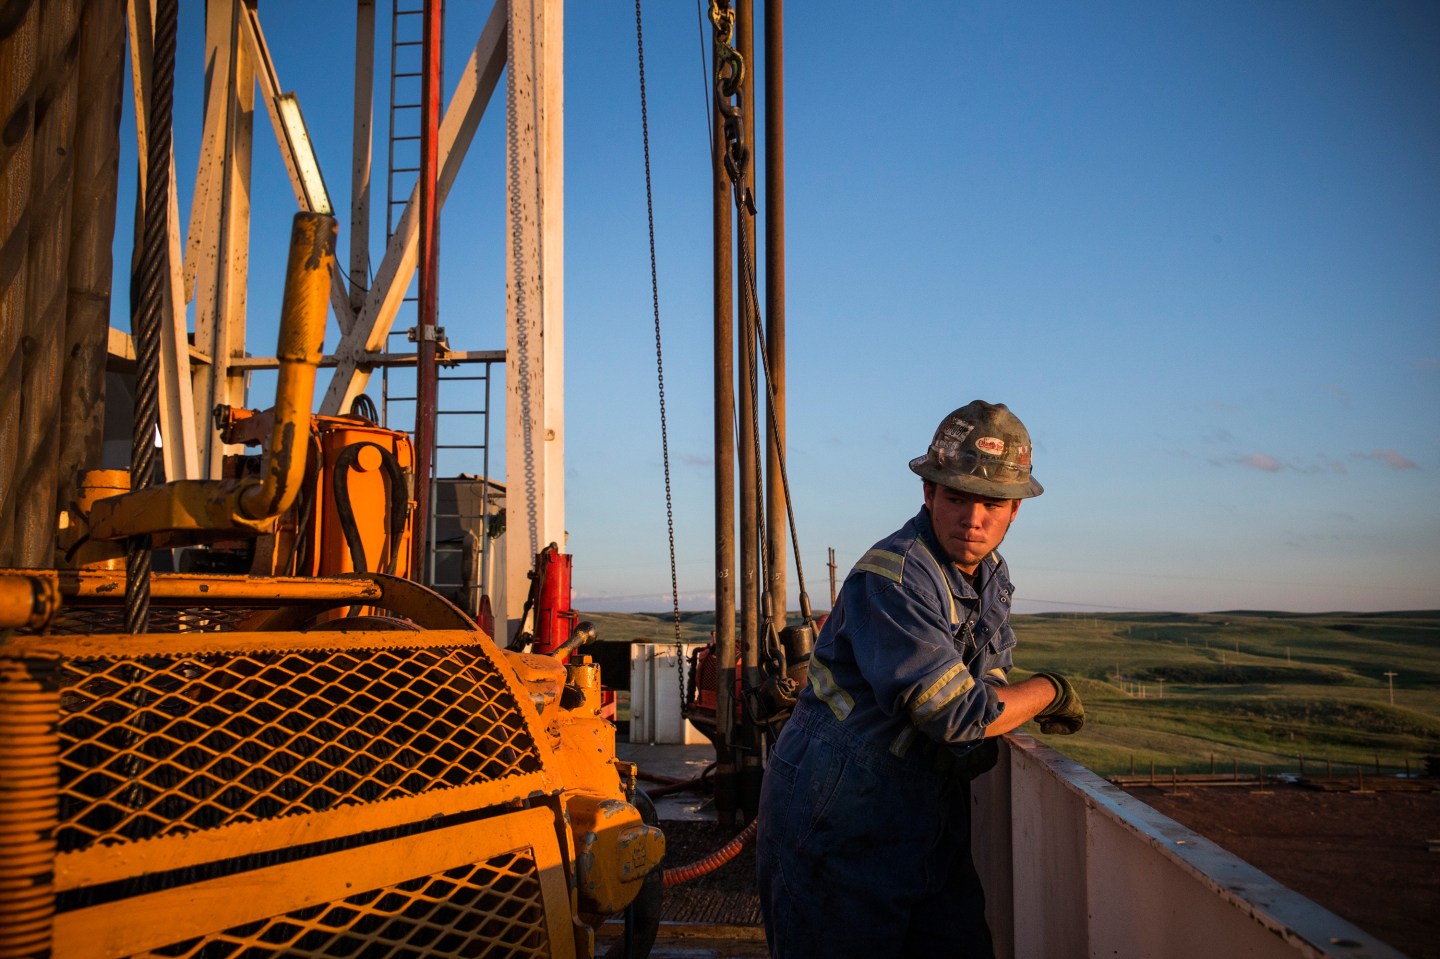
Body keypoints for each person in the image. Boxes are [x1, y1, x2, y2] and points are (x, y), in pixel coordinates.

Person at [756, 400, 1085, 959]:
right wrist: (1051, 690)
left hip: (925, 817)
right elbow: (959, 715)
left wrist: (999, 701)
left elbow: (991, 673)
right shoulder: (897, 577)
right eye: (956, 497)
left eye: (992, 504)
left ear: (1015, 512)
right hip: (840, 817)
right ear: (929, 494)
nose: (973, 518)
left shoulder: (990, 577)